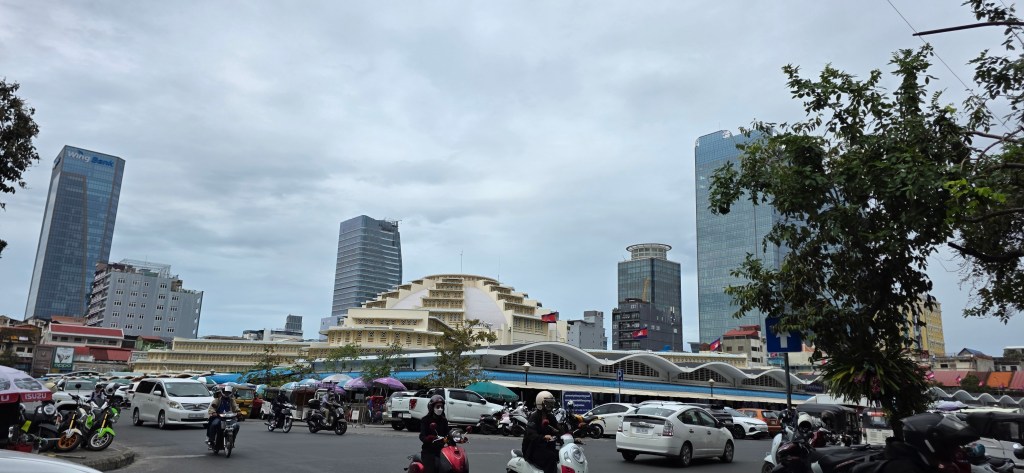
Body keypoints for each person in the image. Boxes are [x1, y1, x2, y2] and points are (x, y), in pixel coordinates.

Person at [851, 413, 979, 473]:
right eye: (951, 445)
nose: (955, 450)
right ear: (930, 443)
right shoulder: (905, 469)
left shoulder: (923, 463)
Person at [419, 395, 467, 473]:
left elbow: (448, 434)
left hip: (441, 450)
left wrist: (459, 439)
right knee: (431, 469)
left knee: (452, 465)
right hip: (429, 451)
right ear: (432, 407)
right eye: (438, 407)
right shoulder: (425, 420)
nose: (440, 409)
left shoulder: (443, 420)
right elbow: (422, 436)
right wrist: (428, 438)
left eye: (441, 407)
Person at [523, 391, 562, 473]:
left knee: (562, 455)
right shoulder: (534, 417)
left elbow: (558, 429)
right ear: (540, 404)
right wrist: (543, 437)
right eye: (548, 403)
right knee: (551, 457)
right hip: (533, 449)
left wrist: (572, 437)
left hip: (546, 448)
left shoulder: (551, 417)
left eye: (551, 403)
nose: (551, 405)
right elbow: (531, 434)